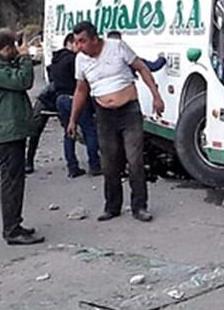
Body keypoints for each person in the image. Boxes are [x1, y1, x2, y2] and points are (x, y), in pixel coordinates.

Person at [69, 22, 164, 222]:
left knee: (134, 159)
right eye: (76, 42)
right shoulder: (81, 60)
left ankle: (140, 206)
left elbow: (142, 68)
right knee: (109, 162)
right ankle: (112, 206)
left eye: (82, 41)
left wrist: (156, 96)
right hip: (104, 114)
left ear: (95, 39)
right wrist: (72, 120)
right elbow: (81, 90)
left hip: (129, 111)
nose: (79, 46)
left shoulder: (117, 47)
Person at [0, 29, 43, 245]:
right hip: (5, 134)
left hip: (8, 132)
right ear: (7, 48)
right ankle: (12, 229)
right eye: (15, 46)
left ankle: (14, 224)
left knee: (14, 180)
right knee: (12, 182)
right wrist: (24, 58)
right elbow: (23, 81)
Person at [31, 33, 100, 178]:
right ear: (71, 43)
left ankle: (72, 167)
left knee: (69, 132)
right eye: (77, 43)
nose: (80, 47)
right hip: (75, 98)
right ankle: (94, 165)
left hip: (60, 100)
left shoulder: (55, 60)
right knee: (89, 131)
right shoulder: (74, 60)